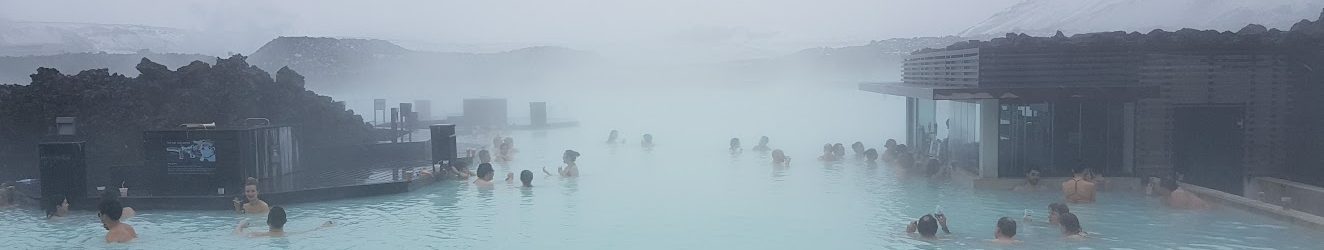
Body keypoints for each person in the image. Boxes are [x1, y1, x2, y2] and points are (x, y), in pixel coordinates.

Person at [235, 206, 333, 237]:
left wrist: (240, 225)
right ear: (285, 221)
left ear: (267, 222)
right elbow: (313, 230)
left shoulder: (257, 234)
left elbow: (239, 235)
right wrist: (324, 226)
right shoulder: (291, 234)